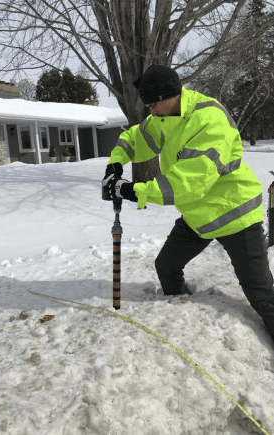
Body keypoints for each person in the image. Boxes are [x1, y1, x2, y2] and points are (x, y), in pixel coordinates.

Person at [102, 64, 274, 342]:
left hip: (234, 214)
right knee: (166, 266)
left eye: (153, 104)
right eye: (147, 106)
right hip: (198, 217)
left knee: (262, 295)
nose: (151, 111)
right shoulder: (163, 116)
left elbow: (189, 182)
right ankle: (182, 316)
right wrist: (115, 164)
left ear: (171, 95)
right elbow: (136, 137)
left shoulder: (208, 118)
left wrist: (136, 191)